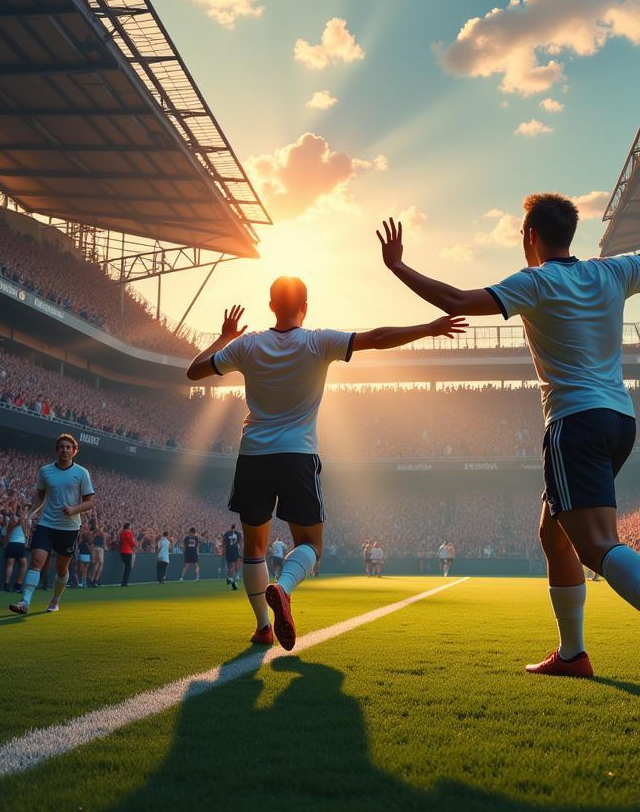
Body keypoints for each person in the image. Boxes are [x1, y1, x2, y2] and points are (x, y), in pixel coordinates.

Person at [375, 161, 640, 698]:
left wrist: (398, 267)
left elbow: (459, 302)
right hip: (619, 419)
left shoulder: (535, 282)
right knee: (554, 533)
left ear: (530, 237)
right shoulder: (612, 271)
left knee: (595, 546)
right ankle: (573, 654)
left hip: (573, 422)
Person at [186, 278, 467, 649]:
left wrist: (225, 337)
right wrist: (428, 328)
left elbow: (195, 371)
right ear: (306, 305)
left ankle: (262, 627)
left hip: (253, 453)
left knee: (254, 549)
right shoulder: (318, 341)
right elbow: (378, 338)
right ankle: (283, 589)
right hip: (298, 454)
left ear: (271, 306)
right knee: (311, 545)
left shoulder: (248, 344)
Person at [10, 434, 95, 615]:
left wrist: (74, 509)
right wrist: (30, 513)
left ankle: (55, 600)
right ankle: (25, 602)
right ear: (57, 450)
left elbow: (90, 502)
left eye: (68, 447)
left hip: (70, 528)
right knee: (36, 561)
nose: (64, 450)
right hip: (46, 524)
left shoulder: (82, 473)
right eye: (61, 447)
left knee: (61, 568)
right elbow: (40, 495)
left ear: (74, 451)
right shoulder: (45, 471)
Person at [3, 505, 29, 592]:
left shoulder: (24, 521)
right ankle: (8, 585)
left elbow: (26, 533)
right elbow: (9, 530)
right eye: (21, 509)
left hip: (19, 544)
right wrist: (18, 523)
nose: (22, 511)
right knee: (11, 564)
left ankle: (17, 585)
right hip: (14, 543)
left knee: (22, 564)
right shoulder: (12, 519)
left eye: (23, 510)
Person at [222, 524, 241, 590]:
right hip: (234, 551)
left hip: (228, 551)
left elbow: (223, 543)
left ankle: (230, 580)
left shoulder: (226, 534)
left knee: (230, 566)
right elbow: (238, 542)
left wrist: (223, 552)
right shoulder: (237, 534)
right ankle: (232, 582)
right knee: (233, 566)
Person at [119, 522, 135, 587]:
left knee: (127, 566)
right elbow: (131, 542)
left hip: (122, 551)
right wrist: (133, 546)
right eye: (130, 527)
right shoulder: (128, 532)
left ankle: (124, 582)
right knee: (128, 567)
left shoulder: (121, 533)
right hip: (127, 551)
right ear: (128, 527)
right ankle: (124, 582)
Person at [89, 523, 105, 587]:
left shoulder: (93, 533)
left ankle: (92, 580)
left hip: (94, 548)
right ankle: (95, 580)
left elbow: (92, 541)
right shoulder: (102, 533)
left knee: (96, 564)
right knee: (100, 564)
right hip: (100, 548)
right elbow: (104, 542)